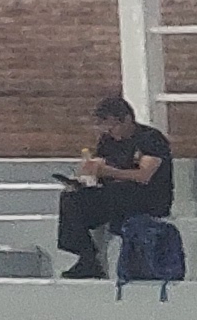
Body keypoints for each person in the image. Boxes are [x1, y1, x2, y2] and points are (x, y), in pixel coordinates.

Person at [54, 95, 177, 280]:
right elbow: (102, 166)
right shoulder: (108, 141)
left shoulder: (150, 139)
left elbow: (144, 176)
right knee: (71, 199)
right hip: (114, 194)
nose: (110, 131)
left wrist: (108, 171)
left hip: (147, 197)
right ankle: (86, 255)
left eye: (113, 126)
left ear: (127, 120)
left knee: (117, 192)